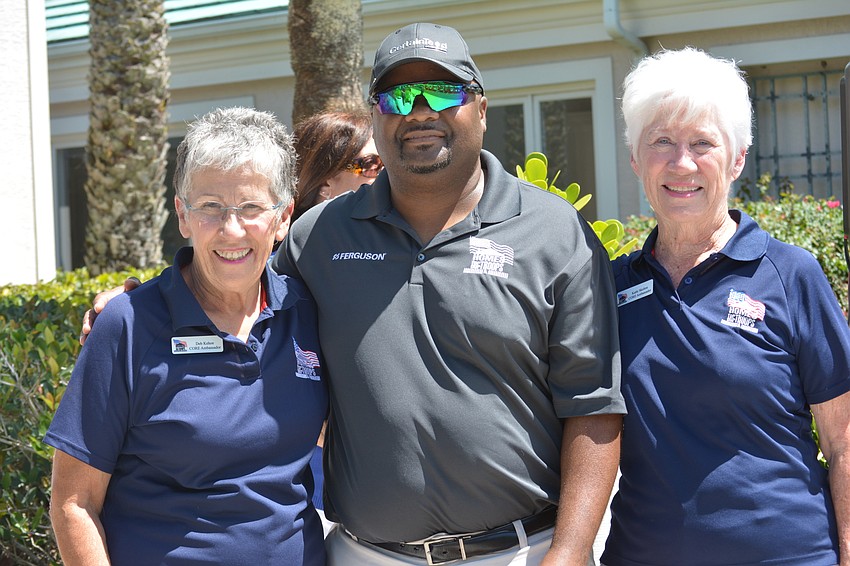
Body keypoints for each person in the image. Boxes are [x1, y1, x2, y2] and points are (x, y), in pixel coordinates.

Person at [81, 23, 625, 566]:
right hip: (364, 555)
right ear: (375, 116)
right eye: (397, 96)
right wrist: (136, 300)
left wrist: (571, 552)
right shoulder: (318, 236)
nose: (419, 111)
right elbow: (231, 270)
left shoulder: (554, 232)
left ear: (481, 108)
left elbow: (595, 407)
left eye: (441, 91)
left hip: (521, 552)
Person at [600, 47, 850, 566]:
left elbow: (844, 441)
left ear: (737, 158)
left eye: (702, 143)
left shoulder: (790, 275)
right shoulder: (611, 287)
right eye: (661, 142)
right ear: (634, 159)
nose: (681, 162)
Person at [48, 107, 328, 565]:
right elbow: (74, 505)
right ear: (182, 214)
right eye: (211, 207)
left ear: (282, 219)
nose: (231, 228)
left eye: (252, 207)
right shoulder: (128, 326)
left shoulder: (308, 314)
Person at [292, 110, 382, 222]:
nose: (384, 173)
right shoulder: (299, 238)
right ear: (325, 182)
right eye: (371, 164)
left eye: (386, 163)